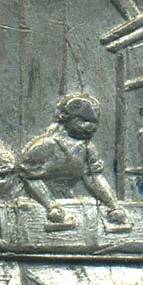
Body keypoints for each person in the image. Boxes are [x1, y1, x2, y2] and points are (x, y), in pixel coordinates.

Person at [19, 93, 127, 224]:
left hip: (65, 202)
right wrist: (50, 206)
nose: (90, 127)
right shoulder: (46, 145)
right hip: (36, 202)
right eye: (83, 121)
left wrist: (113, 206)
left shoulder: (87, 148)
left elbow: (94, 178)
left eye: (94, 122)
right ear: (66, 118)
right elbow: (31, 178)